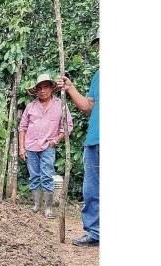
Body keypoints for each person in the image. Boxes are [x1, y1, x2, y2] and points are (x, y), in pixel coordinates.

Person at [56, 33, 99, 247]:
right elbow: (88, 107)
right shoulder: (99, 76)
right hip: (94, 140)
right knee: (92, 190)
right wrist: (70, 88)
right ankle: (95, 232)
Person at [19, 72, 73, 218]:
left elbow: (68, 125)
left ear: (51, 88)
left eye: (45, 87)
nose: (42, 90)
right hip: (31, 146)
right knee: (34, 176)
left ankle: (48, 208)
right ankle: (36, 205)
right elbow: (22, 128)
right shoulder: (31, 106)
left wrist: (57, 139)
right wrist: (21, 148)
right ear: (36, 90)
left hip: (48, 147)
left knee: (47, 175)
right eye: (39, 88)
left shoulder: (60, 104)